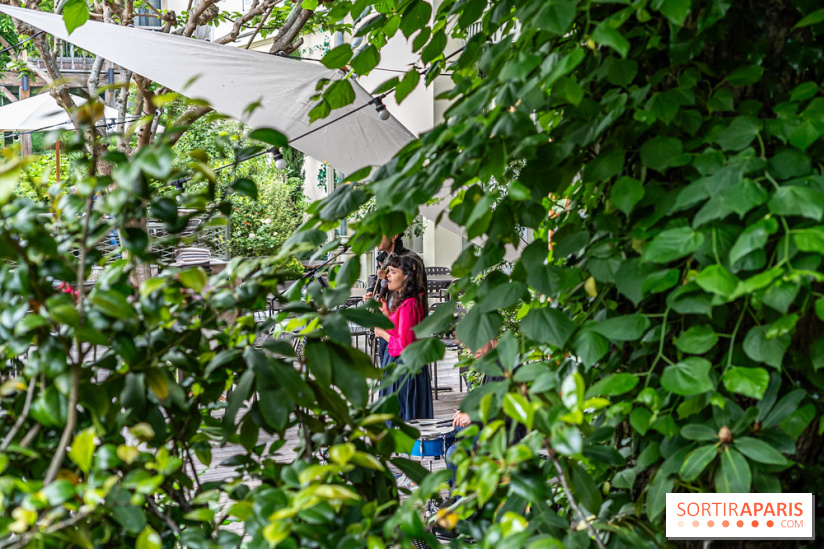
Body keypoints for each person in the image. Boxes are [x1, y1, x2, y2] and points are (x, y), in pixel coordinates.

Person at [445, 337, 526, 486]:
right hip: (494, 430)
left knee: (453, 454)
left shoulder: (507, 365)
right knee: (453, 431)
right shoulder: (494, 362)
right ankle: (458, 490)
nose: (470, 351)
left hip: (507, 435)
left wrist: (472, 417)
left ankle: (462, 502)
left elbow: (511, 411)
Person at [373, 254, 433, 421]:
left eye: (392, 272)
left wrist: (382, 333)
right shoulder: (406, 302)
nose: (388, 276)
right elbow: (401, 331)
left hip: (404, 369)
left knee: (403, 418)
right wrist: (386, 314)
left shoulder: (409, 305)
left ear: (406, 276)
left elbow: (404, 345)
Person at [365, 233, 427, 366]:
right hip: (391, 318)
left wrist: (385, 279)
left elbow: (414, 286)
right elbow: (377, 280)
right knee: (386, 362)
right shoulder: (383, 258)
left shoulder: (409, 259)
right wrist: (371, 291)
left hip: (402, 319)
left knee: (394, 363)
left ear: (393, 236)